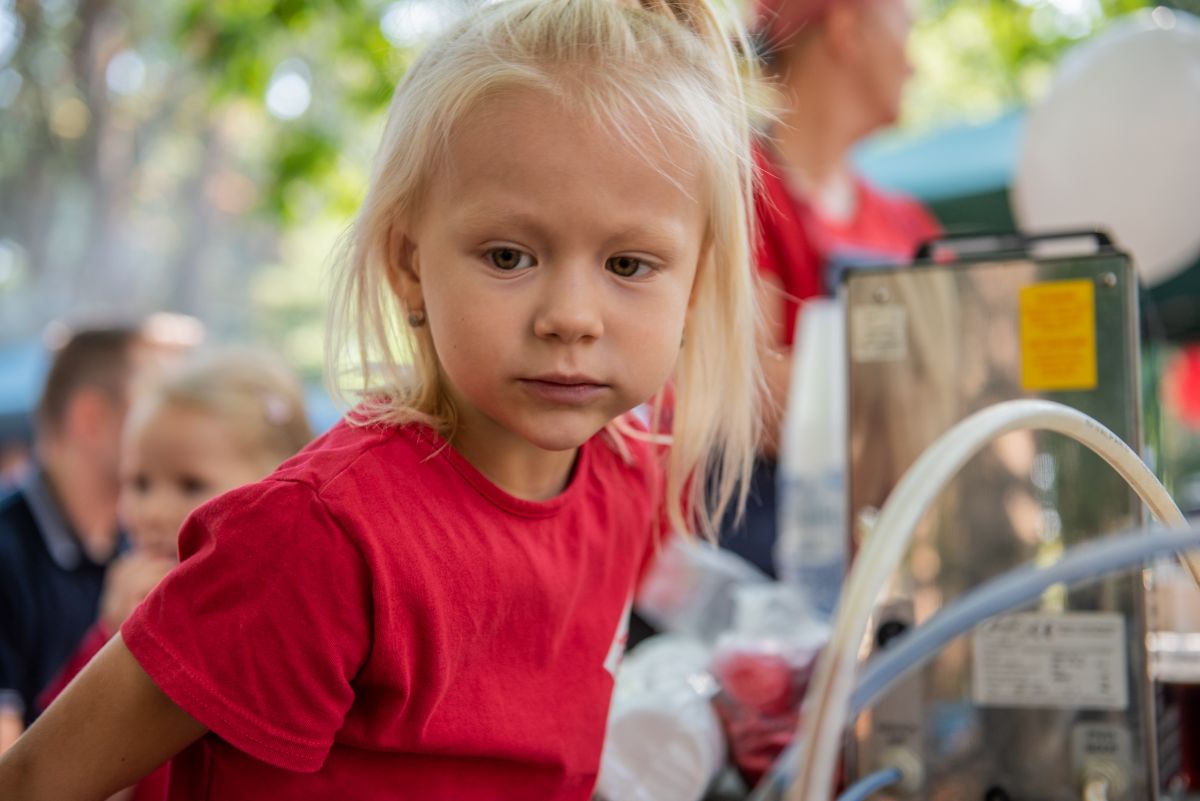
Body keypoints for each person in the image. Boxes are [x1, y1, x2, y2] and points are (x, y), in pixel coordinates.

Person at [0, 1, 761, 799]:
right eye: (509, 255)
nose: (571, 316)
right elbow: (35, 778)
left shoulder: (628, 479)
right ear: (408, 263)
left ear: (695, 278)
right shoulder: (319, 536)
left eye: (629, 264)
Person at [721, 0, 942, 576]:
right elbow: (749, 397)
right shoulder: (736, 188)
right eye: (905, 32)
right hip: (771, 570)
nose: (914, 65)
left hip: (896, 565)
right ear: (849, 31)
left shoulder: (910, 224)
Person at [36, 350, 313, 801]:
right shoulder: (123, 611)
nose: (152, 511)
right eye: (139, 483)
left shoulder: (291, 623)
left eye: (190, 484)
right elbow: (60, 775)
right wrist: (115, 638)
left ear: (278, 488)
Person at [0, 326, 149, 747]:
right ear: (91, 419)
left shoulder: (138, 547)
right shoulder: (8, 553)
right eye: (155, 405)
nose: (175, 424)